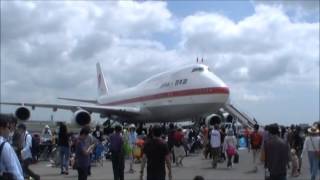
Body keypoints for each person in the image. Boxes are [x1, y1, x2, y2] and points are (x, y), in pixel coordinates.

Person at [0, 114, 24, 180]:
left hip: (16, 155)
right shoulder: (4, 145)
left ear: (14, 124)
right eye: (8, 126)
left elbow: (20, 145)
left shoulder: (17, 133)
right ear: (2, 128)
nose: (9, 129)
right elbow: (14, 171)